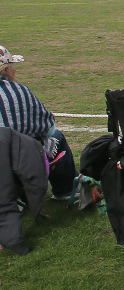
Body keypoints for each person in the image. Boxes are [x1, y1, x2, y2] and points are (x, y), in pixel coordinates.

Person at [0, 46, 76, 201]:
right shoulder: (18, 92)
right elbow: (47, 127)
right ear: (5, 69)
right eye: (11, 65)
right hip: (15, 163)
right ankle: (66, 190)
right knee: (56, 137)